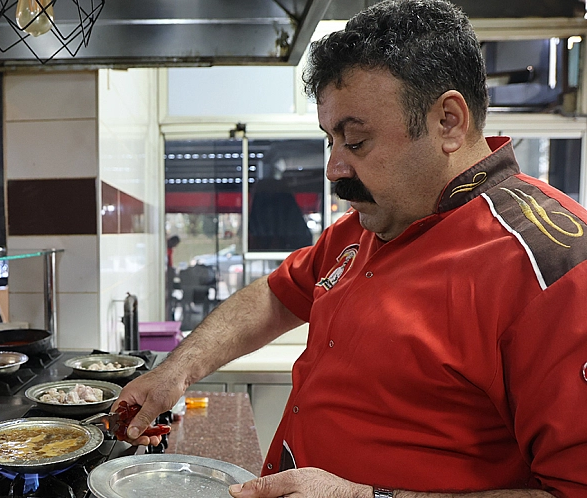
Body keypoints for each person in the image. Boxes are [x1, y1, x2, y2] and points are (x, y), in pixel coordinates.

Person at [117, 1, 587, 497]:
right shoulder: (364, 225)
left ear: (448, 121)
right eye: (330, 140)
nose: (334, 168)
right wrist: (178, 369)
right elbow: (277, 297)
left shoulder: (553, 267)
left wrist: (362, 497)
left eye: (356, 140)